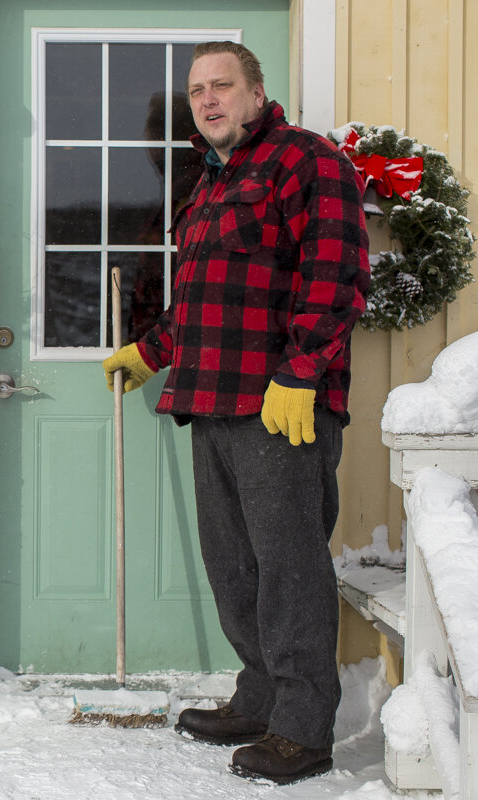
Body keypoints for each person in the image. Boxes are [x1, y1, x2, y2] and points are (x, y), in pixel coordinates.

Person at [101, 41, 370, 785]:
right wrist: (150, 353)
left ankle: (302, 727)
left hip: (280, 406)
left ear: (256, 93)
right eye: (197, 91)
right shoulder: (212, 182)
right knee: (236, 568)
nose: (209, 99)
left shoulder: (307, 162)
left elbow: (336, 273)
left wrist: (303, 371)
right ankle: (260, 698)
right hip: (212, 400)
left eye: (223, 86)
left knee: (288, 567)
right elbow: (201, 302)